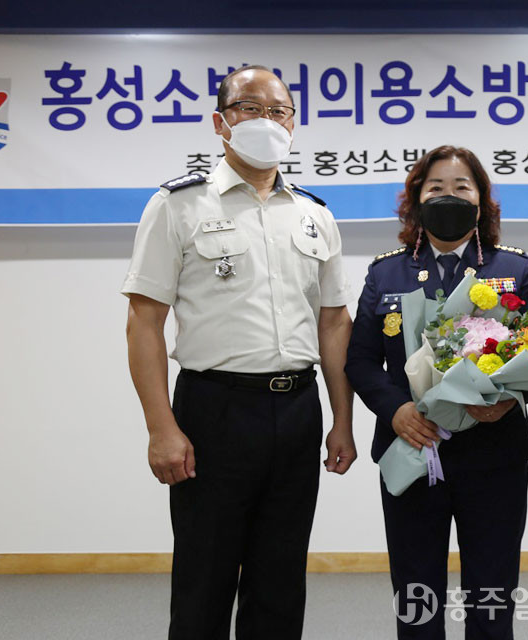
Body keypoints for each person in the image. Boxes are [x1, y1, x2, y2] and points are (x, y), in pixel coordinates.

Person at [122, 65, 356, 640]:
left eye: (279, 111)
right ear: (220, 122)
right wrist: (161, 428)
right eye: (250, 108)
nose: (266, 120)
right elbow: (144, 323)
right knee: (204, 578)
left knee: (280, 581)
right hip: (214, 411)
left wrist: (342, 420)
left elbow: (333, 322)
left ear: (293, 125)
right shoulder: (177, 205)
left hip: (296, 410)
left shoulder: (315, 214)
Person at [345, 145, 528, 639]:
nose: (448, 197)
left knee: (492, 592)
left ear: (480, 200)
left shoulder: (514, 269)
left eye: (461, 188)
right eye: (436, 188)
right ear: (416, 199)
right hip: (412, 448)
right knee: (417, 594)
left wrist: (508, 399)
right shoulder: (386, 273)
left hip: (494, 453)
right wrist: (396, 411)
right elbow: (361, 361)